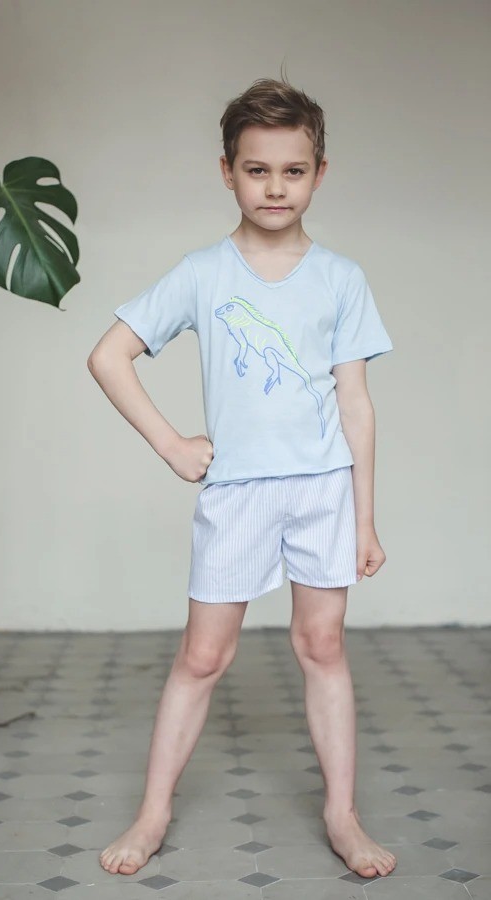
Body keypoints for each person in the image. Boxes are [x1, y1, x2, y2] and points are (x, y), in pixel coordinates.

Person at [87, 76, 397, 880]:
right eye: (257, 170)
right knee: (203, 656)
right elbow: (108, 356)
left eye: (293, 171)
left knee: (322, 645)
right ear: (227, 172)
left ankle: (342, 813)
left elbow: (356, 403)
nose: (275, 187)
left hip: (324, 489)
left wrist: (364, 519)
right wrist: (171, 445)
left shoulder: (341, 278)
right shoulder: (202, 272)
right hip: (238, 494)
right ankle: (153, 813)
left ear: (320, 173)